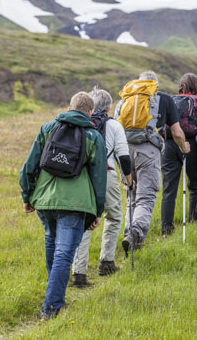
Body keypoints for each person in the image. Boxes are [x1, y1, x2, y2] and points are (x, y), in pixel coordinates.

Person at [19, 92, 107, 320]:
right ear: (90, 112)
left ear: (69, 107)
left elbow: (28, 167)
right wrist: (98, 210)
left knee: (52, 244)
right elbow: (99, 178)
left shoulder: (48, 128)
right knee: (63, 255)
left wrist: (27, 197)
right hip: (76, 205)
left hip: (45, 201)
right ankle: (52, 309)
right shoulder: (93, 136)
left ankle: (54, 298)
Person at [114, 71, 190, 253]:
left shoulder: (125, 98)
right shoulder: (162, 98)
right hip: (147, 151)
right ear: (155, 85)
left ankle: (129, 235)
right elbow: (177, 132)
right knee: (146, 197)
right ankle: (135, 232)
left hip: (124, 151)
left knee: (131, 195)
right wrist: (183, 147)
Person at [71, 87, 133, 288]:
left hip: (81, 177)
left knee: (84, 220)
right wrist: (128, 180)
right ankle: (106, 262)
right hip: (106, 174)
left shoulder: (80, 124)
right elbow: (123, 156)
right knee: (114, 216)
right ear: (108, 107)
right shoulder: (114, 125)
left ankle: (78, 273)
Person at [160, 73, 197, 236]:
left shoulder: (170, 100)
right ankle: (194, 223)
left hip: (169, 144)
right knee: (196, 185)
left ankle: (166, 229)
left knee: (169, 188)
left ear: (181, 86)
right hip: (192, 144)